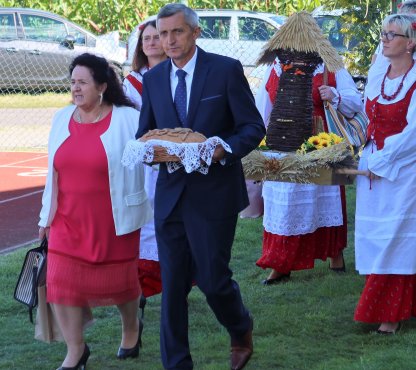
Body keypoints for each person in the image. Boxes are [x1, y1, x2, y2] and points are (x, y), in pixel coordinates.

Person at [135, 4, 265, 370]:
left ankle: (240, 326)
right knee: (172, 285)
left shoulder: (225, 71)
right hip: (170, 197)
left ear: (195, 33)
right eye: (163, 34)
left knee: (212, 279)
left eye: (176, 32)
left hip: (215, 196)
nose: (169, 40)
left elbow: (252, 128)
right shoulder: (154, 79)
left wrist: (220, 148)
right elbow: (146, 133)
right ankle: (177, 364)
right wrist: (147, 151)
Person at [38, 53, 152, 369]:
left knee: (121, 284)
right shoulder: (61, 117)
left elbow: (150, 160)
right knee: (60, 283)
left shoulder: (128, 119)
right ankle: (76, 351)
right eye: (72, 82)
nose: (75, 88)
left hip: (113, 219)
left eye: (82, 82)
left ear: (101, 86)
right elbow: (52, 172)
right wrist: (45, 217)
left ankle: (131, 327)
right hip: (66, 219)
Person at [254, 11, 363, 285]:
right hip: (283, 141)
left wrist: (334, 96)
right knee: (284, 204)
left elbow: (354, 103)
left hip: (320, 142)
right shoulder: (277, 67)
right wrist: (260, 139)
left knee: (324, 196)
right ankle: (280, 262)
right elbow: (264, 106)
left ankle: (334, 252)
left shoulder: (330, 66)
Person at [354, 14, 416, 334]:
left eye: (392, 35)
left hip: (409, 175)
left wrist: (383, 160)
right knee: (379, 238)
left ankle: (390, 313)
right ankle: (394, 307)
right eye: (384, 33)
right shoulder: (378, 76)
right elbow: (367, 121)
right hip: (376, 172)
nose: (385, 39)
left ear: (410, 43)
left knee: (397, 241)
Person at [123, 19, 167, 315]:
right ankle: (145, 286)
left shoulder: (176, 73)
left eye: (156, 37)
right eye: (146, 39)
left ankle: (177, 281)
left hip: (179, 152)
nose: (150, 42)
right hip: (148, 161)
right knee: (150, 218)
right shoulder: (133, 81)